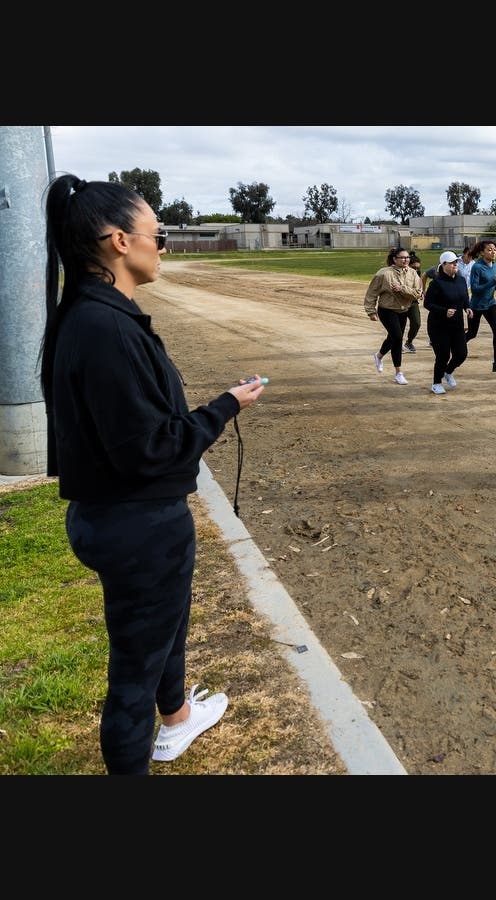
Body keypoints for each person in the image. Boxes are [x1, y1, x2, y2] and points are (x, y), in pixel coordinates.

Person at [39, 174, 266, 774]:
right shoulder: (104, 327)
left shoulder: (94, 313)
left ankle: (177, 720)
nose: (162, 246)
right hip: (136, 524)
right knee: (132, 674)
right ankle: (144, 747)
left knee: (165, 626)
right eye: (157, 235)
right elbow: (151, 450)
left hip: (123, 518)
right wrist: (225, 406)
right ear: (119, 241)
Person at [365, 247, 423, 385]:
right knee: (397, 338)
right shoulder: (383, 274)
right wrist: (371, 311)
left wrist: (402, 288)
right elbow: (371, 293)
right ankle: (399, 373)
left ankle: (378, 356)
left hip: (403, 310)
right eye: (402, 257)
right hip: (387, 310)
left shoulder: (413, 273)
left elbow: (417, 293)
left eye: (407, 257)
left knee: (393, 337)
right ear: (394, 259)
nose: (405, 260)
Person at [423, 250, 473, 394]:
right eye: (452, 263)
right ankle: (436, 382)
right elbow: (428, 304)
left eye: (456, 262)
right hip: (438, 326)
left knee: (461, 354)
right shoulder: (437, 283)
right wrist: (444, 311)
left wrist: (467, 308)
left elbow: (464, 297)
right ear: (443, 265)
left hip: (457, 325)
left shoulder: (461, 280)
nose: (455, 265)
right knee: (443, 355)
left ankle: (448, 372)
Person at [465, 239, 496, 373]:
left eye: (494, 249)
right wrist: (492, 282)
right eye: (489, 250)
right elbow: (475, 289)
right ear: (482, 253)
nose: (493, 252)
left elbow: (492, 284)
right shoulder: (477, 267)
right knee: (472, 334)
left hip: (490, 304)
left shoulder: (495, 265)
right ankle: (455, 344)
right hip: (476, 306)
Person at [404, 252, 423, 352]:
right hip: (400, 303)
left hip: (413, 302)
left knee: (416, 323)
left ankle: (409, 342)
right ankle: (396, 343)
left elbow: (418, 285)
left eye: (418, 268)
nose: (416, 270)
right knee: (399, 326)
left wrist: (421, 293)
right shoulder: (400, 273)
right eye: (414, 267)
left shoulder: (417, 273)